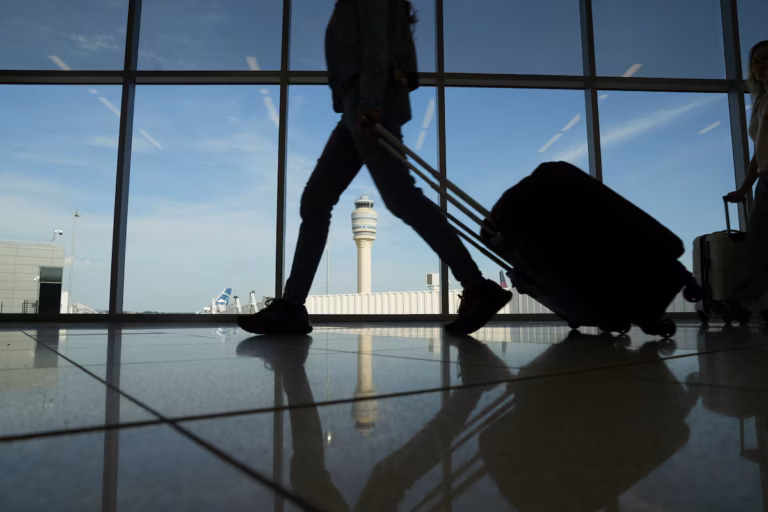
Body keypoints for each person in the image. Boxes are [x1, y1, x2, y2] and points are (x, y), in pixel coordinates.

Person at [238, 0, 511, 336]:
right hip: (359, 105)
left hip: (369, 100)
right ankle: (292, 306)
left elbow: (375, 43)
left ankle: (478, 287)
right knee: (317, 200)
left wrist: (368, 101)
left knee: (400, 198)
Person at [709, 40, 768, 323]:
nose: (761, 66)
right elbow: (760, 151)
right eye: (756, 62)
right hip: (766, 180)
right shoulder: (761, 100)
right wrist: (746, 187)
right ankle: (744, 302)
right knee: (757, 244)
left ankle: (742, 302)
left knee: (760, 243)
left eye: (767, 59)